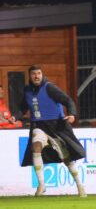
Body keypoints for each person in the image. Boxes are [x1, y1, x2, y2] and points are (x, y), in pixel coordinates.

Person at [20, 65, 86, 197]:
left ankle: (80, 185)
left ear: (42, 74)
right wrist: (14, 117)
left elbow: (68, 100)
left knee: (67, 159)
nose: (37, 76)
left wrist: (72, 114)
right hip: (38, 126)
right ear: (30, 76)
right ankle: (41, 185)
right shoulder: (27, 90)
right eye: (34, 74)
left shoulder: (49, 87)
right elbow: (23, 108)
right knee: (36, 146)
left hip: (56, 127)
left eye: (39, 73)